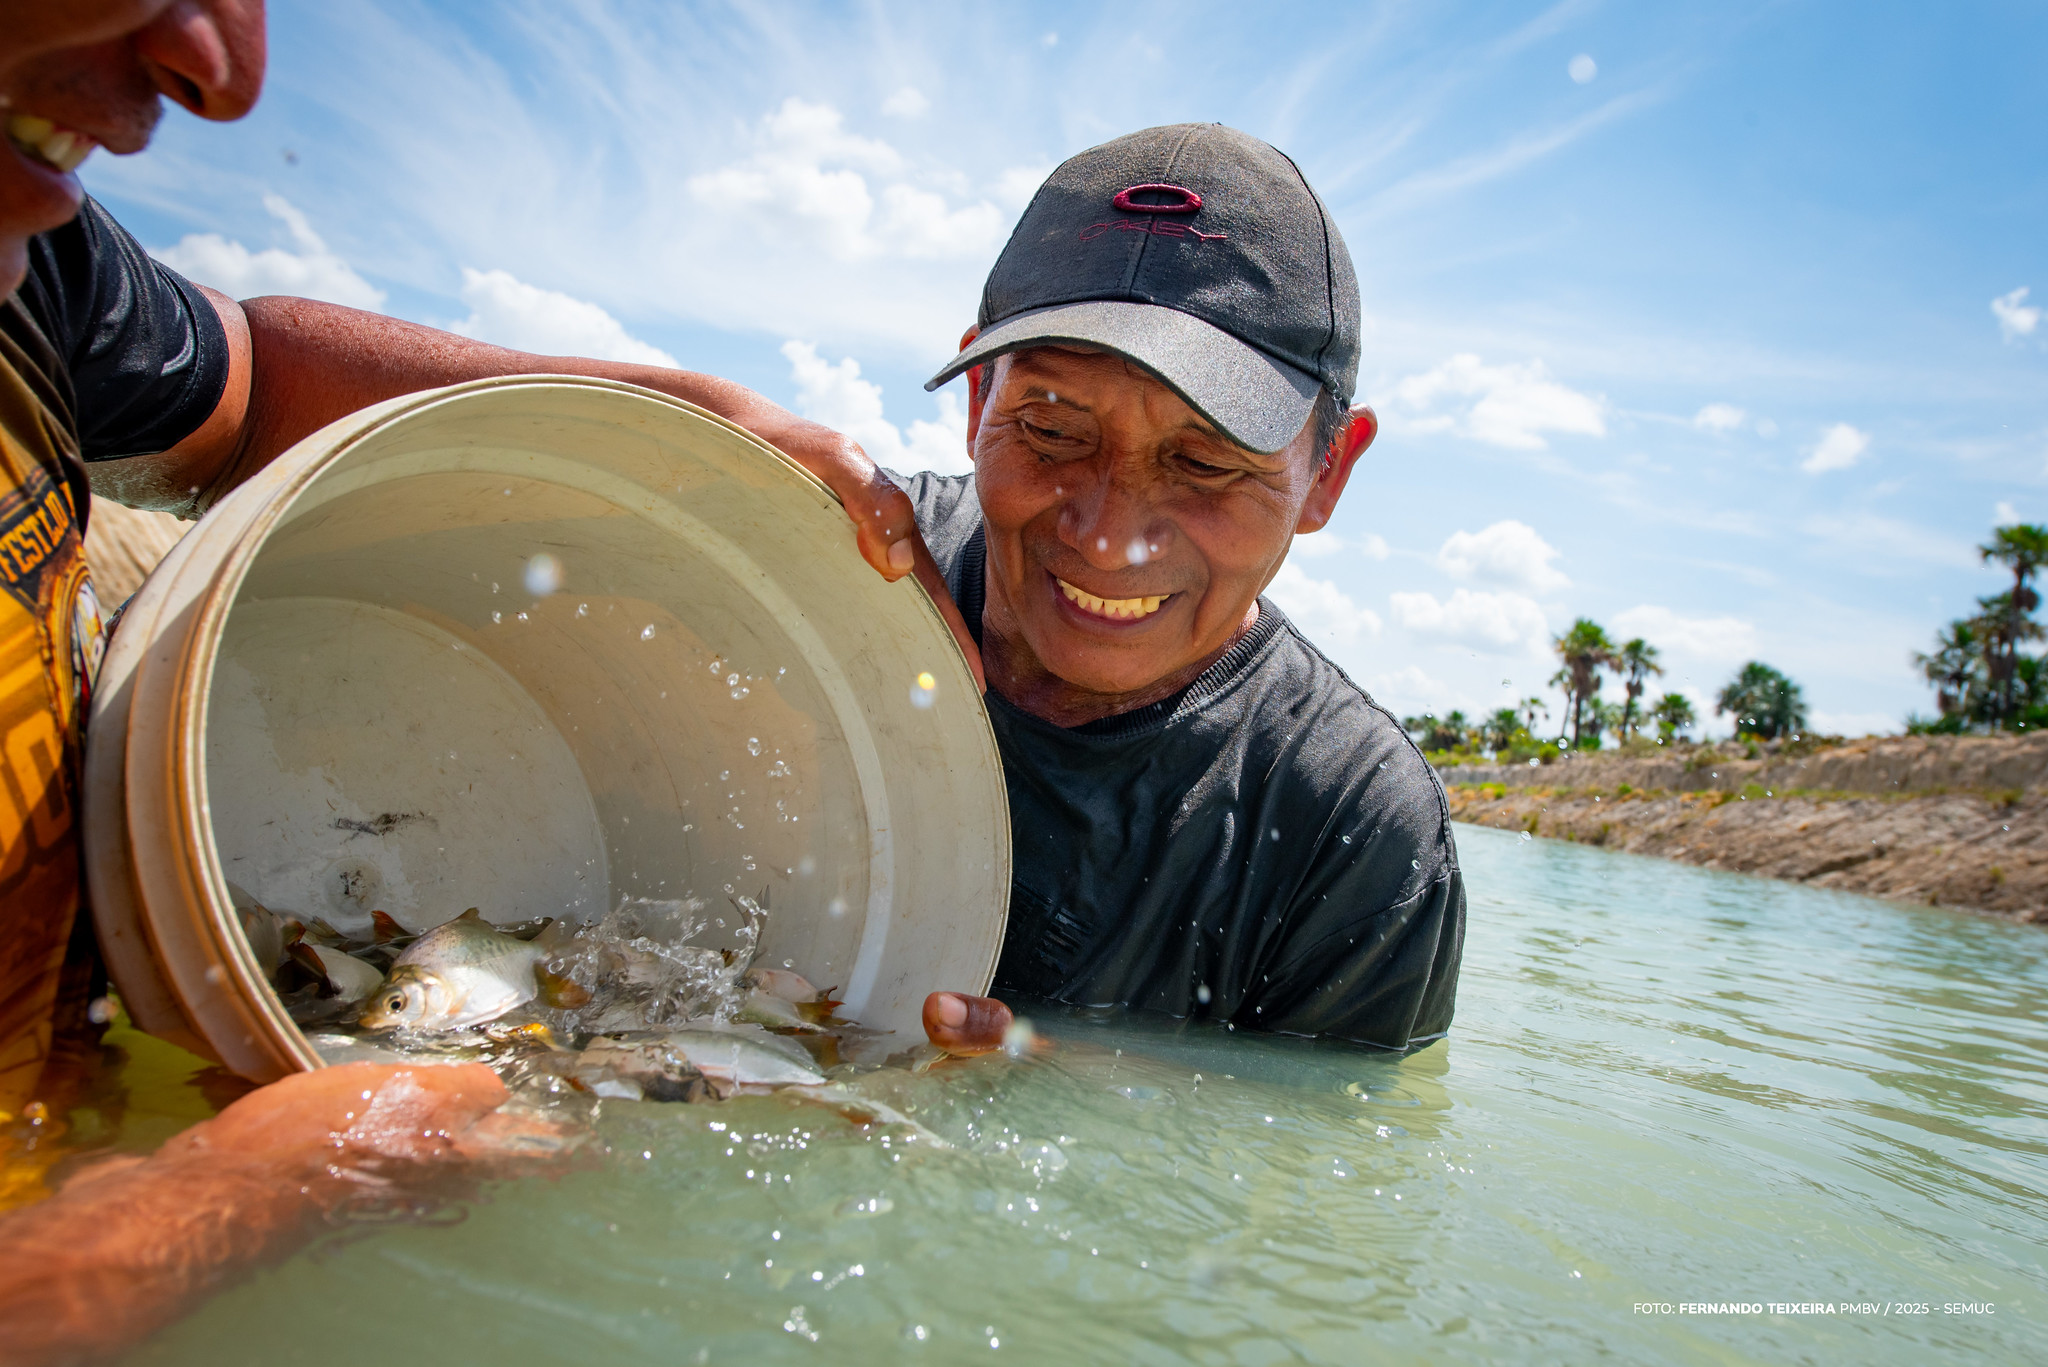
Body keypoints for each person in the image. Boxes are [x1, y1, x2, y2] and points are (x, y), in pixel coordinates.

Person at [0, 0, 984, 1122]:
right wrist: (252, 1187)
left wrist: (683, 420)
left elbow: (261, 386)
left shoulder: (40, 280)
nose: (222, 74)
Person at [905, 124, 1464, 1049]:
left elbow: (1324, 1156)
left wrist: (1060, 1112)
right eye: (1050, 431)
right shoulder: (837, 566)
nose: (1109, 536)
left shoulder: (1350, 830)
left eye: (1205, 462)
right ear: (979, 402)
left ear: (1329, 473)